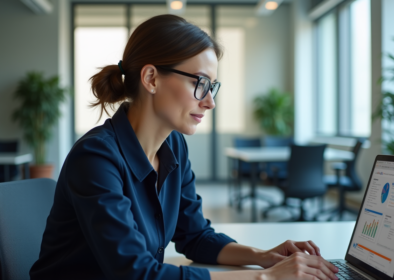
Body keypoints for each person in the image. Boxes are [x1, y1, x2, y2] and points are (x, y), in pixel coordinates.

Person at [30, 14, 339, 280]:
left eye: (212, 86)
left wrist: (266, 257)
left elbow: (196, 236)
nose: (210, 101)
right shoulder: (96, 158)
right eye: (200, 83)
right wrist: (266, 277)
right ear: (151, 78)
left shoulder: (173, 146)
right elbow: (137, 273)